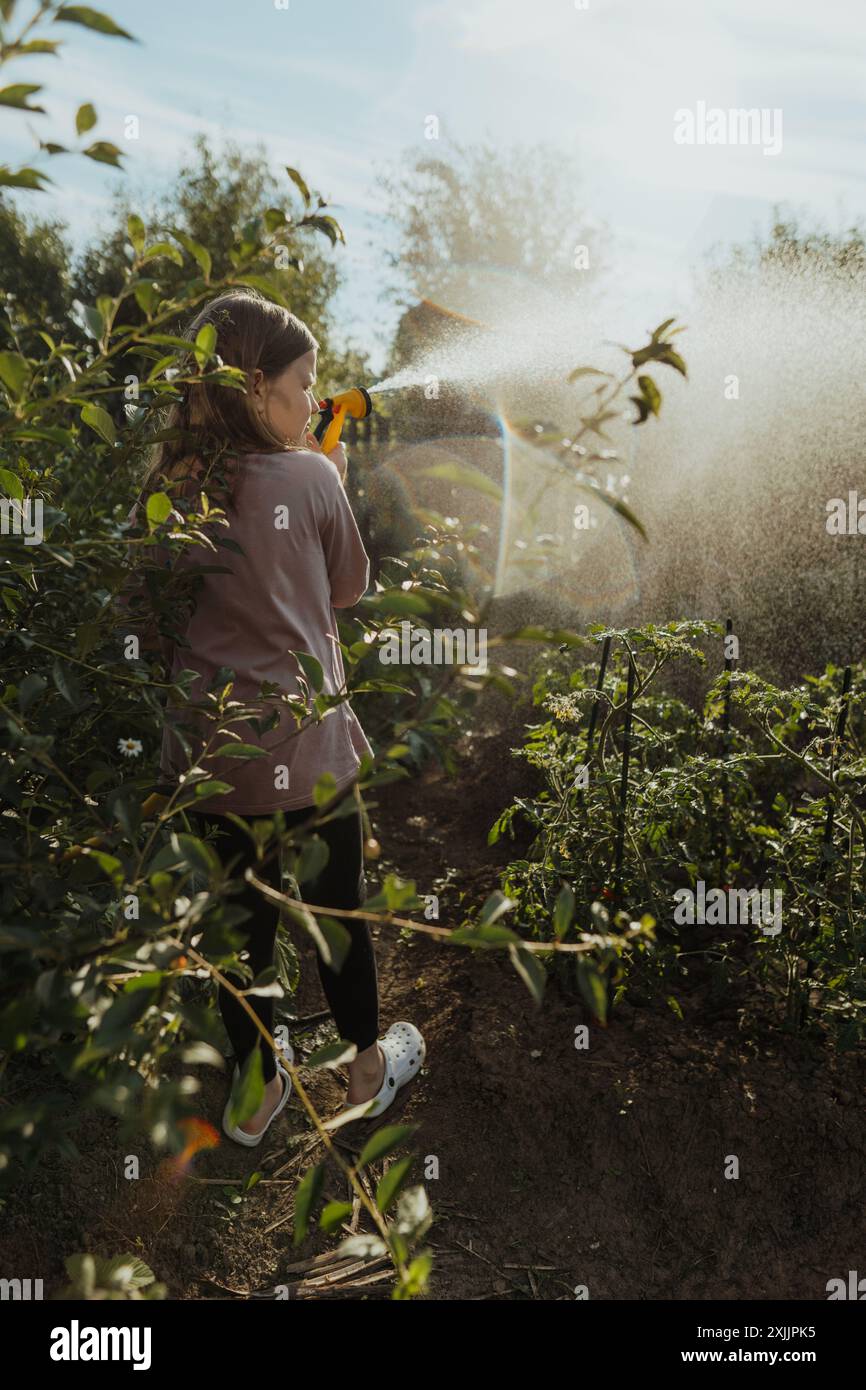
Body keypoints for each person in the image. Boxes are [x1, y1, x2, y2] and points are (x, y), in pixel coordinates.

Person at [126, 288, 425, 1144]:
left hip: (211, 758)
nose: (315, 400)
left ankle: (256, 1095)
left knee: (240, 925)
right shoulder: (310, 474)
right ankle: (368, 1068)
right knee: (337, 909)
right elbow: (347, 590)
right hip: (310, 745)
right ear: (256, 387)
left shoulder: (173, 484)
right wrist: (332, 476)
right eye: (305, 382)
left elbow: (151, 608)